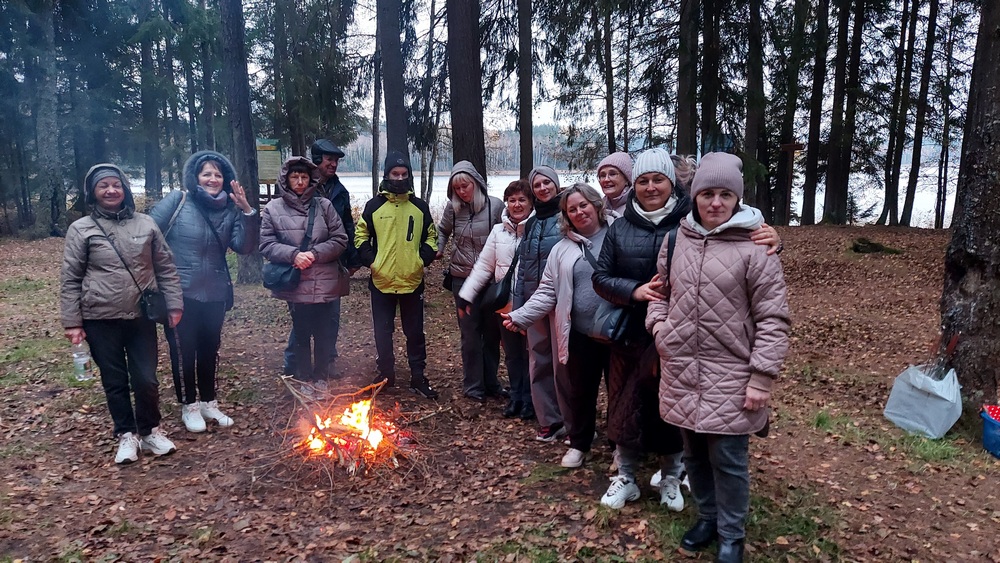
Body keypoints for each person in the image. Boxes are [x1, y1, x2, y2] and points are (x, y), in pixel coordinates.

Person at [647, 152, 790, 563]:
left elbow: (773, 319)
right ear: (694, 196)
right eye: (707, 193)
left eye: (725, 194)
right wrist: (660, 330)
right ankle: (707, 517)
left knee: (728, 459)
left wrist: (762, 378)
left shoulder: (756, 248)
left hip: (732, 373)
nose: (715, 202)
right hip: (681, 370)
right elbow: (660, 295)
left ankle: (731, 535)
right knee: (693, 454)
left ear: (737, 199)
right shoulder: (676, 239)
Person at [60, 164, 183, 464]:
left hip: (141, 317)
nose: (111, 190)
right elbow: (70, 277)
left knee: (146, 379)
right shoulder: (81, 229)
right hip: (99, 318)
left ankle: (150, 430)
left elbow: (165, 267)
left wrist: (175, 304)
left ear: (125, 189)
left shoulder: (146, 225)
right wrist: (72, 322)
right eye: (104, 186)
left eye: (116, 185)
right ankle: (126, 435)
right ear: (93, 192)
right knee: (114, 380)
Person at [503, 183, 613, 468]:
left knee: (620, 390)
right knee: (580, 391)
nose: (579, 212)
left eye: (583, 205)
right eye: (572, 209)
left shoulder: (618, 234)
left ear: (596, 205)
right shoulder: (562, 249)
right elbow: (547, 291)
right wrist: (520, 316)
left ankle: (620, 446)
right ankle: (579, 443)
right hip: (578, 332)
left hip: (617, 331)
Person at [149, 150, 257, 433]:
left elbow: (244, 247)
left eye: (218, 175)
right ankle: (190, 406)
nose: (212, 179)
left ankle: (209, 402)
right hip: (180, 292)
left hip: (216, 293)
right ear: (195, 177)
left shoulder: (231, 210)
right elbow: (147, 233)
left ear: (226, 180)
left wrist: (247, 211)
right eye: (206, 174)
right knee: (184, 351)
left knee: (210, 349)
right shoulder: (178, 200)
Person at [356, 151, 439, 399]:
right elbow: (360, 237)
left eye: (404, 174)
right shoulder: (374, 206)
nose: (400, 178)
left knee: (414, 332)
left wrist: (420, 261)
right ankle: (385, 375)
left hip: (411, 282)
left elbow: (431, 238)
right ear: (387, 174)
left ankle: (417, 377)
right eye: (395, 174)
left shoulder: (420, 207)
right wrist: (373, 262)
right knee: (382, 331)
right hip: (381, 282)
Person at [260, 157, 348, 390]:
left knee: (323, 333)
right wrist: (293, 255)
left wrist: (315, 253)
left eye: (304, 177)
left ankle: (321, 379)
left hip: (325, 280)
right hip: (295, 281)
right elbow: (267, 244)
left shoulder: (324, 206)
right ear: (286, 180)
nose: (300, 182)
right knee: (301, 333)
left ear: (311, 179)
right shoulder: (273, 208)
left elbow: (340, 239)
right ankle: (304, 379)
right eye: (295, 177)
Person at [283, 139, 360, 378]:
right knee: (302, 319)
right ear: (317, 160)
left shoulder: (340, 191)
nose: (333, 164)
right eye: (329, 160)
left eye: (336, 161)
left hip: (332, 263)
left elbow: (347, 226)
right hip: (303, 264)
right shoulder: (301, 187)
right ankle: (293, 364)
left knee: (331, 318)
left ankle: (326, 363)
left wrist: (353, 260)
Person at [458, 180, 535, 417]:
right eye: (512, 200)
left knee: (532, 353)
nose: (517, 204)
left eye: (522, 199)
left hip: (532, 303)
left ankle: (533, 400)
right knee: (512, 354)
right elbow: (483, 266)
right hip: (505, 304)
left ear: (531, 202)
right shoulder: (498, 231)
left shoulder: (538, 228)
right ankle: (517, 397)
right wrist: (466, 295)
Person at [438, 161, 504, 402]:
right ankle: (473, 386)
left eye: (465, 186)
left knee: (492, 333)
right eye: (457, 188)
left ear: (475, 183)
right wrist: (439, 249)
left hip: (490, 280)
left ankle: (491, 383)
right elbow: (442, 231)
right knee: (470, 334)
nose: (462, 192)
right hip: (461, 280)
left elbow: (506, 233)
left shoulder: (495, 205)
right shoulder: (452, 209)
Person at [513, 165, 565, 439]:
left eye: (547, 182)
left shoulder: (566, 216)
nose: (543, 188)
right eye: (537, 185)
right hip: (533, 302)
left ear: (556, 184)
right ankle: (549, 419)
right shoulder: (531, 223)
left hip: (560, 303)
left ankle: (572, 419)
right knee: (538, 359)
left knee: (563, 363)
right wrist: (518, 304)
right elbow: (522, 266)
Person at [597, 151, 634, 216]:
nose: (606, 179)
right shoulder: (599, 208)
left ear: (626, 179)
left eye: (612, 174)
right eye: (602, 175)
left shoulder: (637, 207)